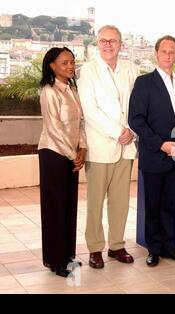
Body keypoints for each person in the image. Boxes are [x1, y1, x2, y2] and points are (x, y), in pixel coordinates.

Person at [78, 25, 139, 269]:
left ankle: (116, 245)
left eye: (112, 41)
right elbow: (89, 110)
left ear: (120, 43)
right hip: (100, 146)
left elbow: (138, 105)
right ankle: (95, 248)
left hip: (127, 146)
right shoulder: (87, 72)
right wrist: (117, 132)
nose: (107, 45)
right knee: (95, 202)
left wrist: (131, 131)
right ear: (97, 43)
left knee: (120, 200)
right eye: (103, 41)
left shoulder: (132, 70)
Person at [129, 35, 175, 267]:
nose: (167, 55)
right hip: (155, 154)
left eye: (172, 52)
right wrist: (160, 144)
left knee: (170, 205)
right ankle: (153, 249)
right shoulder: (144, 82)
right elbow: (136, 120)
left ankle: (169, 247)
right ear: (156, 54)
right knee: (153, 206)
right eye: (163, 51)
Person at [38, 47, 87, 277]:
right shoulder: (49, 91)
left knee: (69, 206)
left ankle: (68, 256)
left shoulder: (72, 90)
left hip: (72, 156)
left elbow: (81, 123)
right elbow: (54, 129)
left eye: (72, 62)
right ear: (52, 66)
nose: (70, 66)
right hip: (54, 155)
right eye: (65, 62)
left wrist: (83, 148)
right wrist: (72, 155)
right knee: (55, 208)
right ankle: (55, 261)